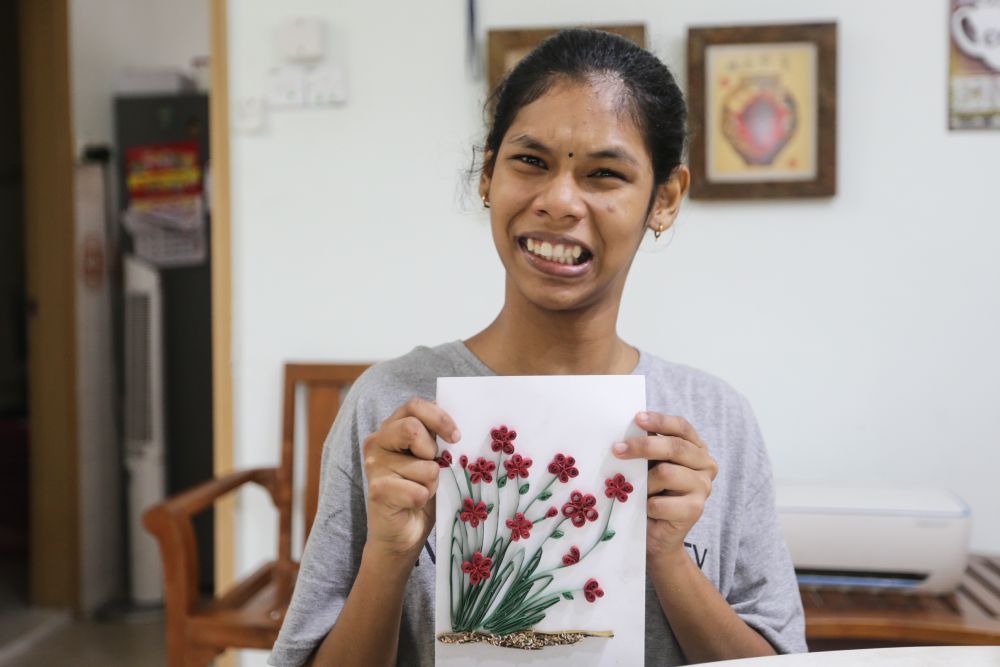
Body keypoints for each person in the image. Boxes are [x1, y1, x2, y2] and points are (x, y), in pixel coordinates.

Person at [268, 28, 806, 667]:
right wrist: (388, 555)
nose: (558, 201)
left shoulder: (716, 421)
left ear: (663, 200)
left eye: (605, 174)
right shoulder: (390, 407)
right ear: (488, 175)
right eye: (530, 162)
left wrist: (666, 555)